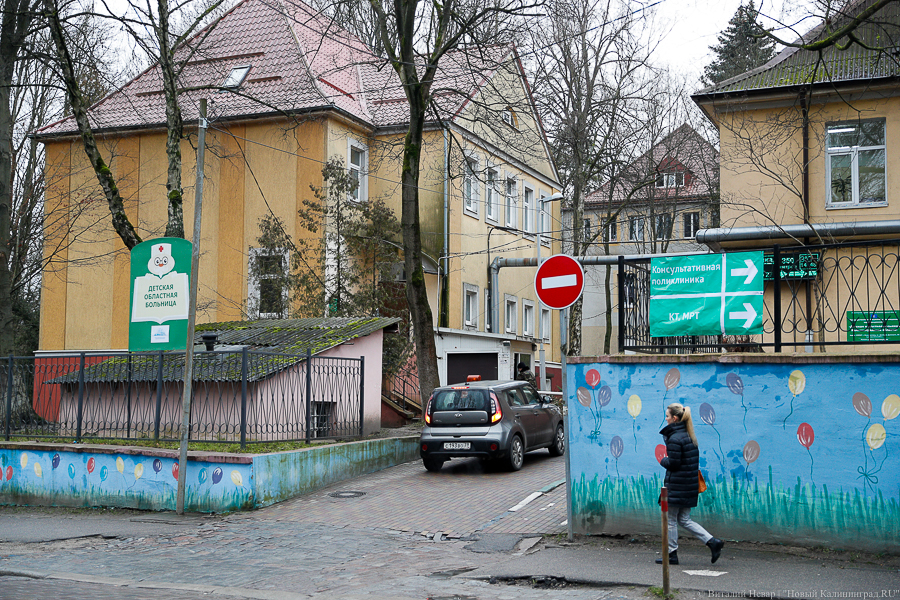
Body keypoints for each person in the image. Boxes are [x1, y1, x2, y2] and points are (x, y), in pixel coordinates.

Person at [656, 402, 724, 566]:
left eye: (667, 416)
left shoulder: (675, 438)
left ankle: (671, 555)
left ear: (675, 418)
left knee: (670, 520)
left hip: (677, 485)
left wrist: (662, 460)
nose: (665, 419)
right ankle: (712, 541)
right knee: (684, 519)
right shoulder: (689, 435)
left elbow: (674, 463)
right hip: (688, 485)